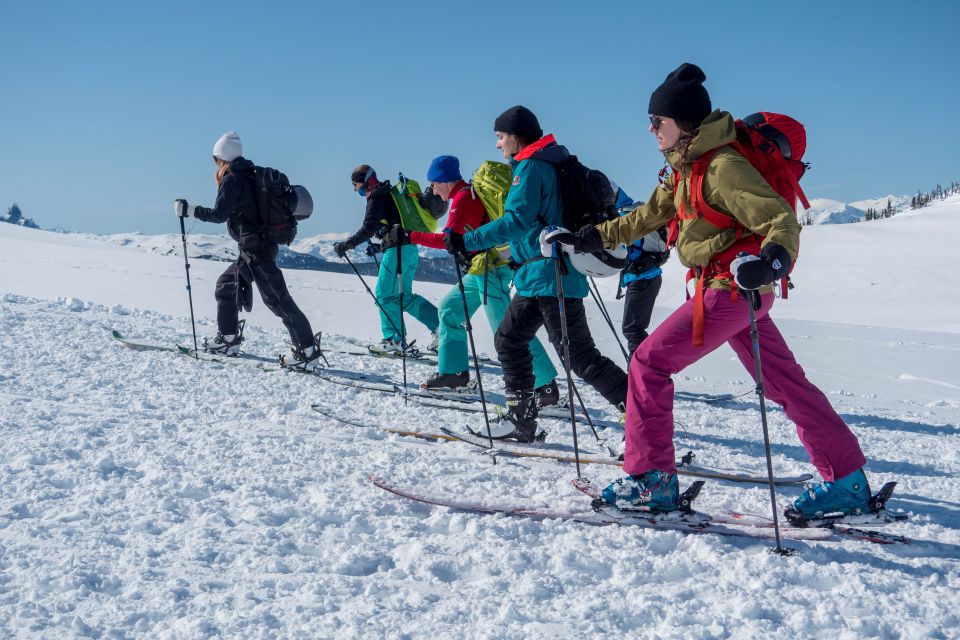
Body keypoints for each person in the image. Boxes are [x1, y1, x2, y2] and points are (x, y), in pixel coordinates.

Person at [566, 63, 872, 521]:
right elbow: (647, 216)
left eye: (657, 122)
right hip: (734, 288)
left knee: (648, 363)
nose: (651, 130)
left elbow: (779, 219)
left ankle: (651, 481)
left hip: (734, 287)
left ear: (683, 123)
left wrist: (772, 259)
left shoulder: (723, 166)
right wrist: (591, 237)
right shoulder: (685, 167)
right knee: (785, 383)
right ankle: (847, 482)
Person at [445, 106, 629, 442]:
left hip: (551, 276)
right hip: (540, 276)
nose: (499, 145)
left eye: (500, 137)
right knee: (509, 339)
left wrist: (467, 240)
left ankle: (642, 413)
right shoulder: (548, 163)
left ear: (516, 136)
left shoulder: (530, 167)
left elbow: (517, 221)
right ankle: (520, 419)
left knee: (580, 356)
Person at [384, 155, 560, 403]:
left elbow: (449, 241)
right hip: (480, 269)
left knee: (509, 333)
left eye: (433, 184)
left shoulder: (463, 198)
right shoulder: (463, 197)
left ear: (444, 180)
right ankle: (454, 373)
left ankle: (546, 387)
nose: (432, 190)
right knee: (449, 309)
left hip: (491, 270)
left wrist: (409, 236)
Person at [174, 131, 321, 365]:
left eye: (215, 160)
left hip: (256, 252)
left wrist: (189, 210)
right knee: (226, 285)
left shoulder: (233, 179)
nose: (215, 165)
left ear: (223, 159)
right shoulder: (252, 176)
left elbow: (219, 214)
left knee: (278, 300)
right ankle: (228, 338)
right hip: (256, 248)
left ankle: (307, 352)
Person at [334, 166, 439, 354]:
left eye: (355, 184)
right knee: (404, 297)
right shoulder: (388, 193)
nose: (354, 189)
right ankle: (442, 329)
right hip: (409, 248)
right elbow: (392, 223)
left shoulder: (376, 195)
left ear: (365, 181)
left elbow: (368, 227)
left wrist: (347, 244)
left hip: (397, 250)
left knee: (384, 295)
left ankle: (394, 340)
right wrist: (380, 245)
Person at [612, 184, 669, 356]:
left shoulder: (626, 215)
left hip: (642, 278)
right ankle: (639, 372)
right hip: (645, 277)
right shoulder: (636, 209)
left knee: (633, 330)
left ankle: (642, 372)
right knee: (633, 329)